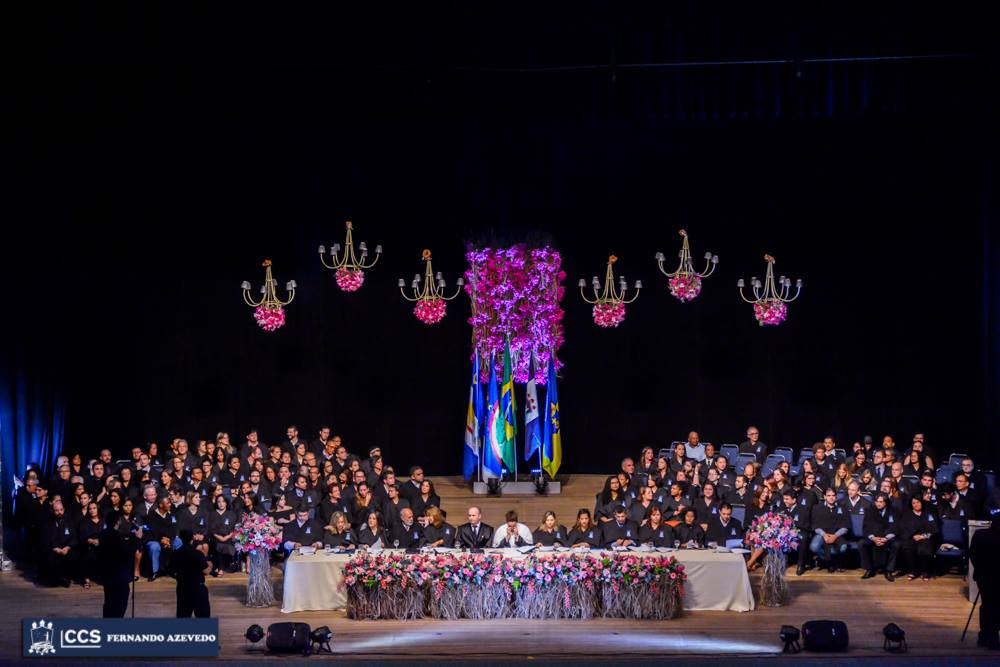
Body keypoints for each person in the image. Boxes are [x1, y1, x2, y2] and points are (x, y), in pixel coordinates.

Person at [98, 510, 141, 617]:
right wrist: (137, 539)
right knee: (119, 603)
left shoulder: (102, 534)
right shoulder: (116, 536)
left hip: (107, 574)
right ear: (117, 522)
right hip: (118, 575)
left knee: (109, 601)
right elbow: (127, 552)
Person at [969, 516, 1000, 650]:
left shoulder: (980, 534)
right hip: (997, 577)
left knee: (986, 605)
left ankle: (984, 636)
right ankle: (993, 639)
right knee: (996, 607)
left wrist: (980, 568)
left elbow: (972, 554)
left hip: (983, 576)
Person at [171, 529, 212, 618]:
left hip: (182, 588)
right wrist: (210, 565)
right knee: (203, 617)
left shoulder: (176, 554)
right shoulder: (197, 553)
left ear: (180, 539)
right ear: (192, 538)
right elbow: (206, 571)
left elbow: (171, 570)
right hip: (197, 588)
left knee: (183, 616)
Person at [898, 495, 939, 581]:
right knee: (908, 547)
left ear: (921, 503)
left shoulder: (928, 513)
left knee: (925, 547)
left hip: (925, 537)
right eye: (914, 503)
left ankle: (925, 572)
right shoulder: (906, 515)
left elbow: (934, 528)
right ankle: (913, 571)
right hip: (911, 537)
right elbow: (902, 528)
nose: (916, 504)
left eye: (918, 502)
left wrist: (923, 536)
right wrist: (913, 536)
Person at [859, 493, 899, 581]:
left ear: (886, 502)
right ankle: (869, 569)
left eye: (881, 502)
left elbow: (895, 527)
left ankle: (889, 571)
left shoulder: (893, 511)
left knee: (896, 545)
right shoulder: (870, 510)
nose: (878, 504)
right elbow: (866, 527)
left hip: (887, 537)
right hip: (874, 537)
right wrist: (873, 538)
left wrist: (886, 538)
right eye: (877, 501)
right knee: (862, 543)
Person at [809, 487, 850, 573]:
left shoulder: (842, 508)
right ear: (824, 497)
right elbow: (815, 526)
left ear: (836, 497)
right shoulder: (817, 508)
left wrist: (835, 536)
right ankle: (827, 560)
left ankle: (835, 561)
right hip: (821, 534)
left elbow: (845, 527)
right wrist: (824, 535)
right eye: (828, 495)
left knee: (843, 547)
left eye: (833, 495)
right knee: (814, 547)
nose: (831, 497)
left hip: (837, 534)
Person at [143, 496, 181, 581]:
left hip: (168, 540)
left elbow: (173, 529)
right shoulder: (151, 515)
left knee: (179, 542)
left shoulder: (170, 515)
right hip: (154, 539)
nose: (170, 505)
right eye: (167, 503)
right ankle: (155, 572)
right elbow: (151, 531)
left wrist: (169, 540)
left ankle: (174, 570)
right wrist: (161, 539)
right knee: (154, 547)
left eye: (170, 503)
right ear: (161, 505)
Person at [41, 499, 76, 587]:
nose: (59, 512)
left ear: (64, 510)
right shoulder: (47, 522)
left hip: (66, 548)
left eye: (61, 510)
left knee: (72, 556)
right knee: (50, 557)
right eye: (57, 510)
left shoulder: (69, 520)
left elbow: (73, 537)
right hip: (53, 548)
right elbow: (46, 538)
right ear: (53, 511)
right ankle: (54, 579)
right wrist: (55, 548)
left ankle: (66, 578)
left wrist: (67, 547)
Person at [207, 495, 238, 573]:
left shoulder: (232, 514)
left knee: (227, 544)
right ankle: (221, 568)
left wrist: (227, 537)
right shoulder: (212, 514)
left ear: (226, 503)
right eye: (219, 501)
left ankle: (221, 567)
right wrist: (219, 537)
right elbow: (210, 528)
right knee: (219, 544)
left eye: (223, 501)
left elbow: (234, 528)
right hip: (215, 537)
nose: (221, 504)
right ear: (216, 503)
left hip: (228, 537)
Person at [78, 501, 104, 588]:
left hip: (102, 546)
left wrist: (101, 541)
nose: (92, 510)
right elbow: (82, 536)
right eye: (90, 509)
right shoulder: (84, 522)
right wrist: (90, 540)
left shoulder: (103, 520)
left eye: (94, 508)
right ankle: (87, 579)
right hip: (88, 546)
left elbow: (108, 533)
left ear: (98, 509)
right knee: (87, 555)